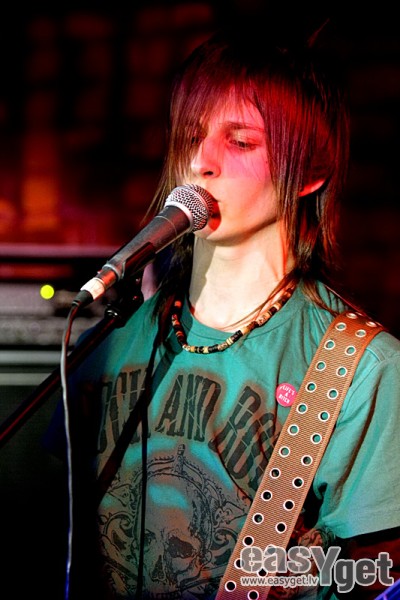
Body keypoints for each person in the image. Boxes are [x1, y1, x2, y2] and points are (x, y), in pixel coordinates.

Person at [45, 18, 400, 600]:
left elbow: (379, 576)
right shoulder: (109, 344)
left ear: (310, 172)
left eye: (241, 142)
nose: (201, 162)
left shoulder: (363, 371)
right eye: (191, 135)